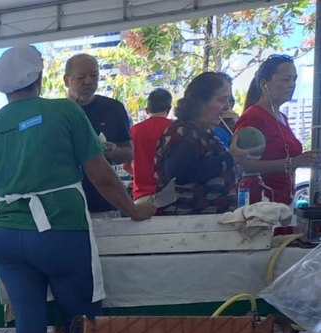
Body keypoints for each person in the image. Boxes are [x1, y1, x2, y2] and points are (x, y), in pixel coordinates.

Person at [0, 45, 155, 333]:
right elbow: (101, 175)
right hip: (59, 230)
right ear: (40, 77)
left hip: (5, 236)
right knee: (82, 324)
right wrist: (133, 209)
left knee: (29, 325)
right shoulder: (65, 111)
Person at [154, 73, 258, 215]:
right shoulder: (182, 132)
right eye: (221, 100)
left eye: (228, 100)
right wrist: (230, 159)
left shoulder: (207, 132)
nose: (227, 107)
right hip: (188, 224)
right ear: (199, 102)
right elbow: (179, 173)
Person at [235, 54, 320, 204]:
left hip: (284, 200)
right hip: (261, 203)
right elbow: (244, 164)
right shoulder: (253, 116)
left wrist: (306, 159)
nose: (292, 84)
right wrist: (293, 162)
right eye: (286, 79)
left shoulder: (281, 117)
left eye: (294, 79)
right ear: (264, 84)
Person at [64, 53, 134, 213]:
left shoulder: (113, 108)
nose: (88, 81)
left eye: (94, 75)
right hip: (67, 203)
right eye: (81, 77)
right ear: (66, 80)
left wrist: (114, 151)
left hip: (104, 201)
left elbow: (129, 152)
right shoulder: (57, 113)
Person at [128, 88, 173, 202]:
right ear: (169, 109)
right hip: (169, 195)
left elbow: (125, 166)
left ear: (147, 110)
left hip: (141, 195)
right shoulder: (176, 129)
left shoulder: (134, 131)